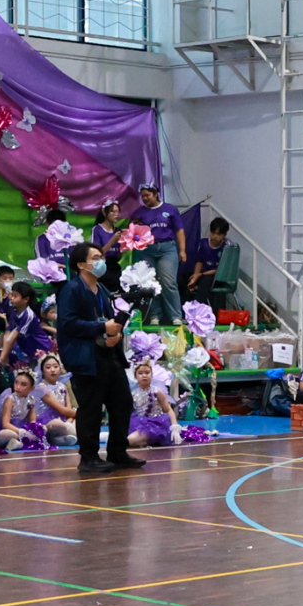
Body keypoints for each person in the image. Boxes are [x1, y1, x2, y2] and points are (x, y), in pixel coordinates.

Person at [57, 241, 139, 474]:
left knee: (122, 403)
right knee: (91, 408)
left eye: (101, 257)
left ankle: (117, 452)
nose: (100, 261)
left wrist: (116, 334)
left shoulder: (101, 289)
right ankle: (89, 457)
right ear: (81, 264)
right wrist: (102, 327)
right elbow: (68, 323)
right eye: (95, 258)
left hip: (108, 354)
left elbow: (110, 322)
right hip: (86, 358)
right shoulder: (72, 289)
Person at [131, 183, 185, 324]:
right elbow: (133, 234)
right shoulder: (138, 213)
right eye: (143, 196)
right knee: (149, 282)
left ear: (155, 194)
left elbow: (179, 230)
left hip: (167, 249)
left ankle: (175, 316)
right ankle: (154, 315)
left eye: (147, 195)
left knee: (168, 282)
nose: (145, 198)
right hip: (147, 251)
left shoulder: (170, 209)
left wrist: (182, 250)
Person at [0, 282, 54, 368]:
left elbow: (14, 336)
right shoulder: (14, 312)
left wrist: (4, 355)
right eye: (12, 295)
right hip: (28, 349)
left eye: (15, 296)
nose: (11, 298)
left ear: (25, 299)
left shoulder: (28, 315)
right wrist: (3, 353)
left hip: (41, 349)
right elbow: (8, 333)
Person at [0, 370, 40, 451]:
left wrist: (33, 431)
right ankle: (15, 442)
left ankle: (15, 443)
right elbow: (5, 424)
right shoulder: (10, 399)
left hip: (19, 428)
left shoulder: (31, 399)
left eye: (23, 384)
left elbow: (32, 420)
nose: (18, 387)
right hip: (1, 430)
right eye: (16, 383)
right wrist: (21, 432)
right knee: (10, 434)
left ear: (31, 388)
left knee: (42, 430)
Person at [128, 361, 180, 447]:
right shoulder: (133, 393)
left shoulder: (157, 392)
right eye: (140, 373)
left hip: (156, 425)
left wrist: (174, 426)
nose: (144, 375)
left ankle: (147, 439)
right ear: (135, 376)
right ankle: (145, 441)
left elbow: (168, 409)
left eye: (147, 372)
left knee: (128, 441)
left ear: (151, 375)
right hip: (139, 424)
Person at [32, 354, 79, 446]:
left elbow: (69, 411)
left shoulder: (63, 386)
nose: (52, 370)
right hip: (48, 422)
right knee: (57, 424)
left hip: (64, 422)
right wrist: (84, 414)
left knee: (77, 422)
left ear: (60, 369)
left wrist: (68, 422)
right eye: (48, 367)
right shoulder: (41, 388)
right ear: (42, 371)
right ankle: (78, 435)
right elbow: (62, 410)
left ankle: (58, 439)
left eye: (55, 366)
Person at [187, 217, 231, 305]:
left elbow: (221, 270)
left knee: (206, 280)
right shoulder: (203, 243)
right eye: (213, 233)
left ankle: (198, 308)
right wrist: (195, 276)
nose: (215, 236)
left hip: (216, 277)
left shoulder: (227, 247)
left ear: (225, 234)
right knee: (183, 279)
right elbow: (199, 261)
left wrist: (201, 275)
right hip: (201, 274)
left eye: (218, 234)